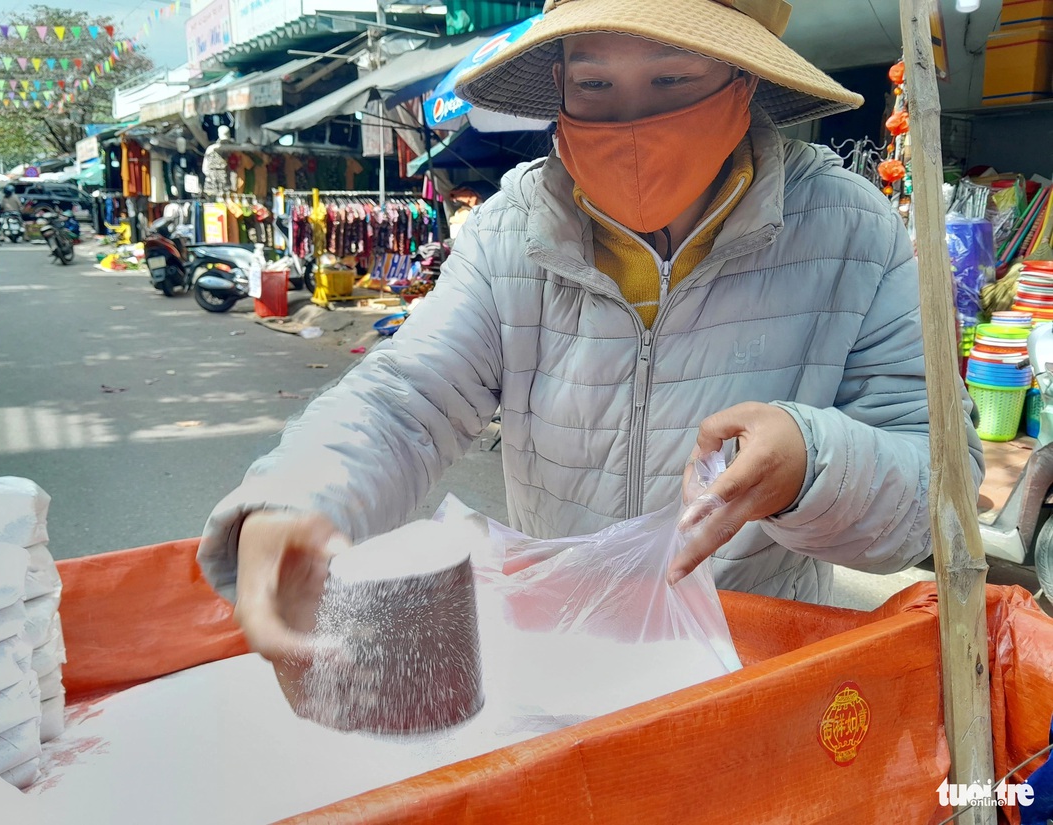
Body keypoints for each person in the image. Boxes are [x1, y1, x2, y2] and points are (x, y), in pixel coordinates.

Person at [197, 0, 985, 707]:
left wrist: (810, 465)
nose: (632, 123)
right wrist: (299, 497)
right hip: (556, 672)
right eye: (597, 87)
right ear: (560, 86)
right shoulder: (514, 232)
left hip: (753, 683)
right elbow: (407, 398)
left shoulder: (855, 232)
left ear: (743, 83)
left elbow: (935, 498)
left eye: (673, 80)